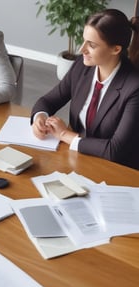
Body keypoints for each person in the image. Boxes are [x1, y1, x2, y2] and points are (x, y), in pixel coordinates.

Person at [31, 9, 139, 170]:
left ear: (116, 49)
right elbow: (47, 100)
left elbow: (114, 150)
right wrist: (39, 118)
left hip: (115, 169)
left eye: (92, 45)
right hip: (77, 158)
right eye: (83, 41)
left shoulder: (134, 88)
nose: (82, 50)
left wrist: (64, 135)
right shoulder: (82, 66)